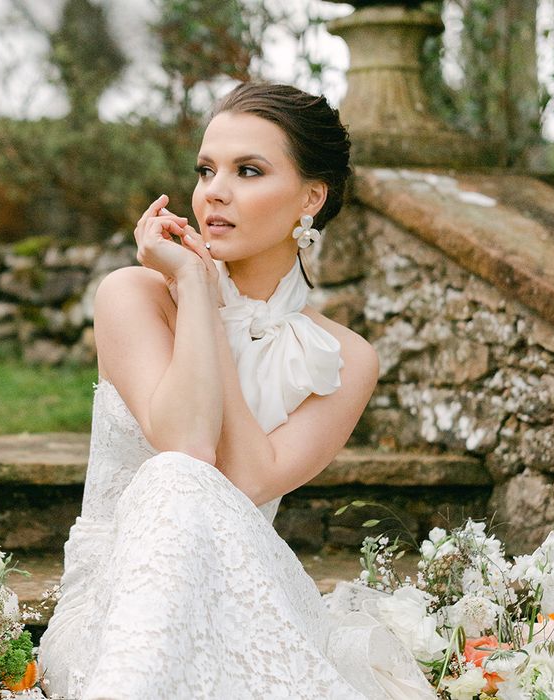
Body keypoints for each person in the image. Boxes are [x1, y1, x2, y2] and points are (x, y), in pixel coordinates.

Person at [38, 82, 435, 699]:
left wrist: (208, 301)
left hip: (244, 591)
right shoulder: (134, 296)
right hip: (114, 603)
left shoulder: (347, 359)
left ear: (311, 196)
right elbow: (186, 447)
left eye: (247, 170)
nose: (213, 191)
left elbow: (243, 481)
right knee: (171, 479)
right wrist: (196, 288)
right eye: (206, 170)